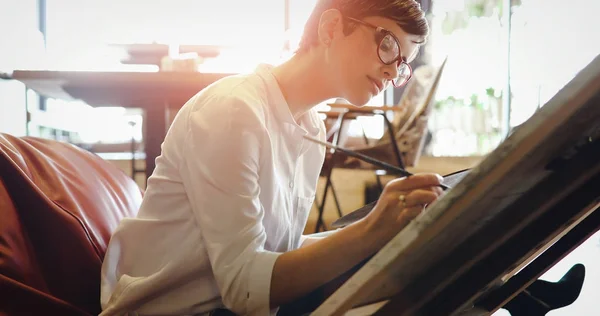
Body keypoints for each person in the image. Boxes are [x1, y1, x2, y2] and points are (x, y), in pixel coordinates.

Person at [100, 0, 444, 315]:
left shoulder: (310, 129)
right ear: (330, 28)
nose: (391, 72)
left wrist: (383, 231)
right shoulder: (234, 110)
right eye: (388, 45)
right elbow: (244, 288)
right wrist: (368, 232)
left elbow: (278, 253)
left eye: (403, 65)